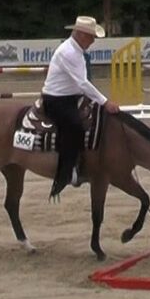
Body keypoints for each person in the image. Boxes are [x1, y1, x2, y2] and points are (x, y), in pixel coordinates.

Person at [41, 15, 120, 198]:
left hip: (72, 96)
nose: (93, 41)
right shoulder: (69, 53)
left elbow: (82, 85)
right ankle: (67, 172)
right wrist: (105, 102)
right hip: (56, 99)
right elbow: (83, 83)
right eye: (92, 37)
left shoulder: (76, 51)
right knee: (75, 126)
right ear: (83, 35)